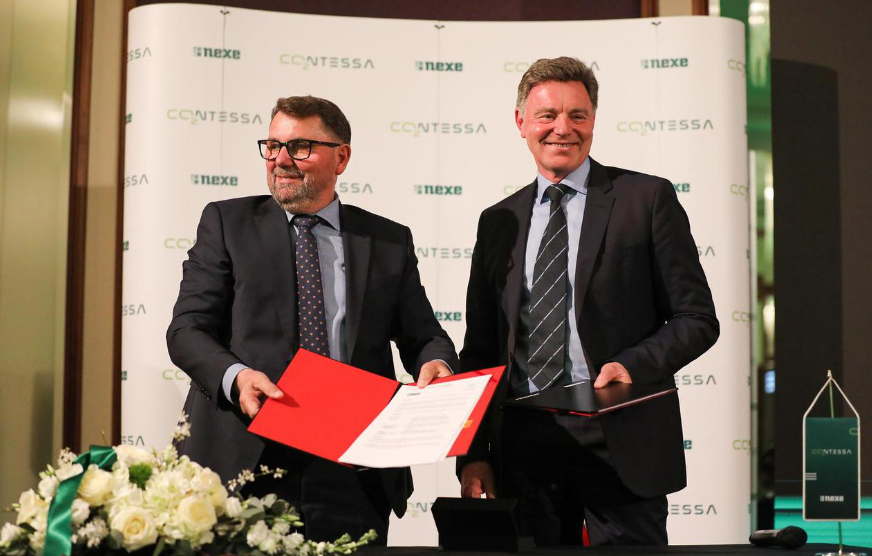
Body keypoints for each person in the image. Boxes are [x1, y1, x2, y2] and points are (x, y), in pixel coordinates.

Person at [167, 95, 458, 543]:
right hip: (246, 465)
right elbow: (187, 330)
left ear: (341, 157)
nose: (281, 159)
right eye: (272, 146)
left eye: (300, 147)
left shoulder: (387, 240)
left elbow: (423, 336)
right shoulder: (227, 222)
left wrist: (436, 362)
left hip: (353, 469)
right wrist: (238, 377)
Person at [457, 57, 719, 546]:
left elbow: (696, 318)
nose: (563, 128)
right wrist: (473, 454)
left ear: (594, 120)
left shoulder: (647, 199)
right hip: (523, 446)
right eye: (547, 115)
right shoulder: (497, 221)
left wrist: (632, 365)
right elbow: (480, 351)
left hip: (619, 435)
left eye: (577, 115)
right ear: (521, 123)